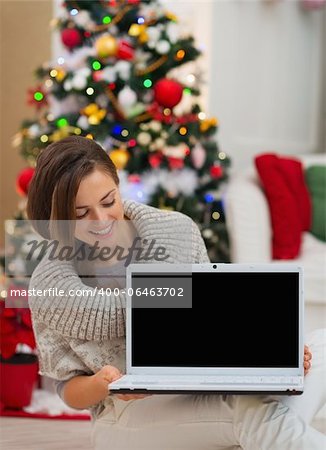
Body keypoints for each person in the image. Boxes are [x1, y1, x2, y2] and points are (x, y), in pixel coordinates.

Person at [27, 136, 325, 450]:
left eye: (108, 201)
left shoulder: (176, 233)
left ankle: (248, 434)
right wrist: (104, 385)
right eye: (80, 213)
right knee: (250, 411)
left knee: (319, 348)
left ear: (118, 185)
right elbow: (67, 388)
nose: (101, 221)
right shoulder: (52, 286)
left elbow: (215, 325)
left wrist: (276, 354)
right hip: (125, 416)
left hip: (200, 391)